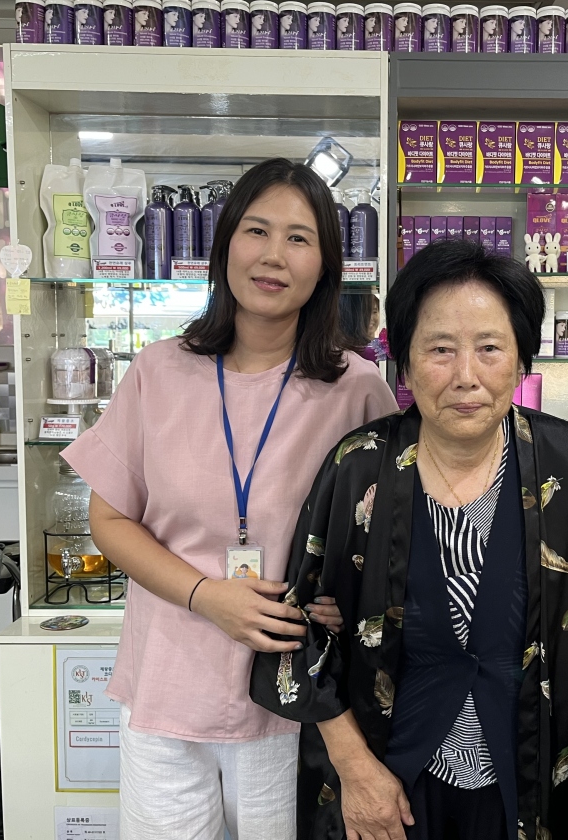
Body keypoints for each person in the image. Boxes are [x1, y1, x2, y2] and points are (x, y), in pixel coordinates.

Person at [251, 239, 568, 840]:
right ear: (404, 364)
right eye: (440, 349)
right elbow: (294, 624)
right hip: (384, 781)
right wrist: (353, 767)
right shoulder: (359, 466)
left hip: (528, 779)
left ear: (520, 362)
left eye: (489, 348)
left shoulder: (565, 461)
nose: (466, 376)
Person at [64, 158, 398, 840]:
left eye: (299, 238)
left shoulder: (358, 389)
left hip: (294, 696)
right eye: (257, 230)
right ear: (224, 247)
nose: (274, 256)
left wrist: (349, 593)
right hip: (167, 685)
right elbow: (110, 518)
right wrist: (204, 595)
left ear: (326, 266)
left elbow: (387, 538)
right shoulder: (159, 370)